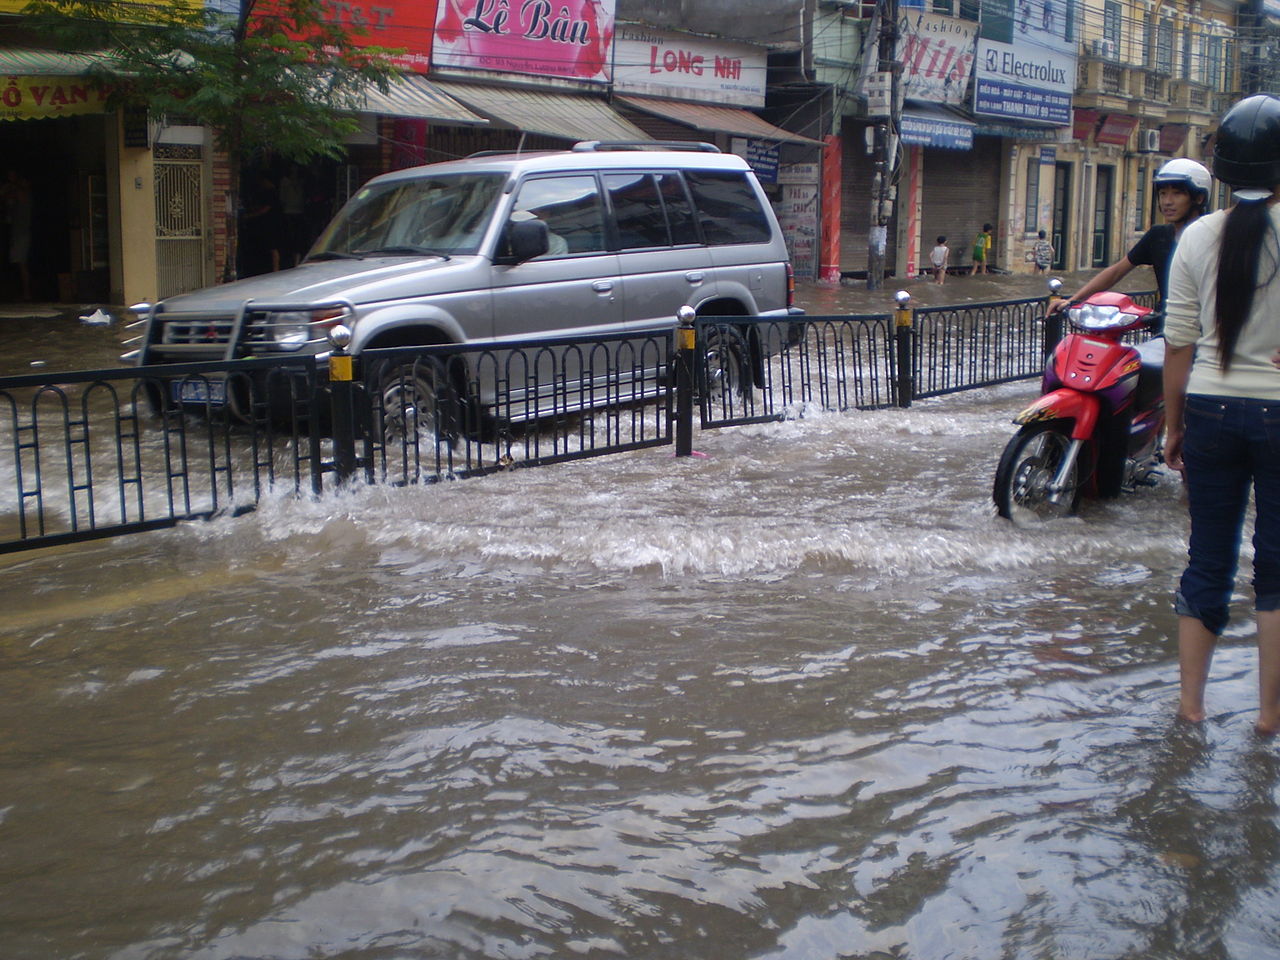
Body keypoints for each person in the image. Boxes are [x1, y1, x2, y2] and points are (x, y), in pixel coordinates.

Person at [1162, 95, 1280, 736]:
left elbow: (1178, 343)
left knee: (1208, 557)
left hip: (1208, 408)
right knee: (1278, 567)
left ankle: (1191, 710)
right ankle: (1269, 720)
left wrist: (1175, 428)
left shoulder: (1197, 239)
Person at [1050, 157, 1210, 316]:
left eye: (1177, 194)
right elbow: (1116, 271)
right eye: (1162, 194)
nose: (1167, 201)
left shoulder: (1212, 237)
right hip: (1167, 326)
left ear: (1199, 198)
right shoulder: (1158, 236)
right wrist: (1072, 301)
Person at [1, 169, 32, 300]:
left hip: (22, 233)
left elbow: (13, 195)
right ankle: (23, 292)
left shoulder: (24, 193)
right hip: (17, 233)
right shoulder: (16, 194)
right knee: (18, 263)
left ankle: (27, 293)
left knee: (21, 263)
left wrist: (12, 185)